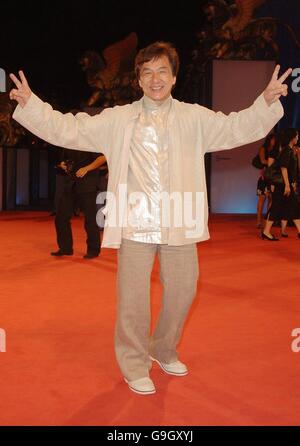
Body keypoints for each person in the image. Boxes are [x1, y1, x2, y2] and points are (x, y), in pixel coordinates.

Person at [10, 42, 290, 395]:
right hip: (135, 222)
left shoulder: (194, 117)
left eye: (162, 71)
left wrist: (264, 103)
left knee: (184, 290)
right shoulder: (118, 119)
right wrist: (32, 106)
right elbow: (70, 128)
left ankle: (163, 348)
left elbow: (236, 128)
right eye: (147, 72)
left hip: (179, 221)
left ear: (173, 78)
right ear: (139, 79)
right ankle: (134, 363)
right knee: (133, 300)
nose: (155, 79)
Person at [51, 149, 106, 258]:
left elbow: (103, 158)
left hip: (87, 184)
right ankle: (65, 248)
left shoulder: (89, 139)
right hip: (71, 183)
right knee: (61, 217)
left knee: (90, 219)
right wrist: (63, 164)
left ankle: (93, 250)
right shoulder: (68, 142)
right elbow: (64, 160)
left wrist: (86, 168)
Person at [262, 128, 300, 240]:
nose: (298, 138)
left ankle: (266, 231)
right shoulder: (287, 151)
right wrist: (288, 185)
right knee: (280, 207)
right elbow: (284, 168)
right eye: (297, 136)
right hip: (282, 185)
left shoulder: (289, 150)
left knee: (292, 206)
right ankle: (266, 231)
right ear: (292, 137)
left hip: (284, 184)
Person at [255, 133, 277, 228]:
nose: (275, 141)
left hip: (272, 178)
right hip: (264, 178)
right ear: (269, 139)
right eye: (273, 139)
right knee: (262, 200)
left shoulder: (276, 150)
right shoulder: (263, 148)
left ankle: (267, 220)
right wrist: (274, 162)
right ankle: (258, 221)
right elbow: (263, 161)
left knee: (271, 199)